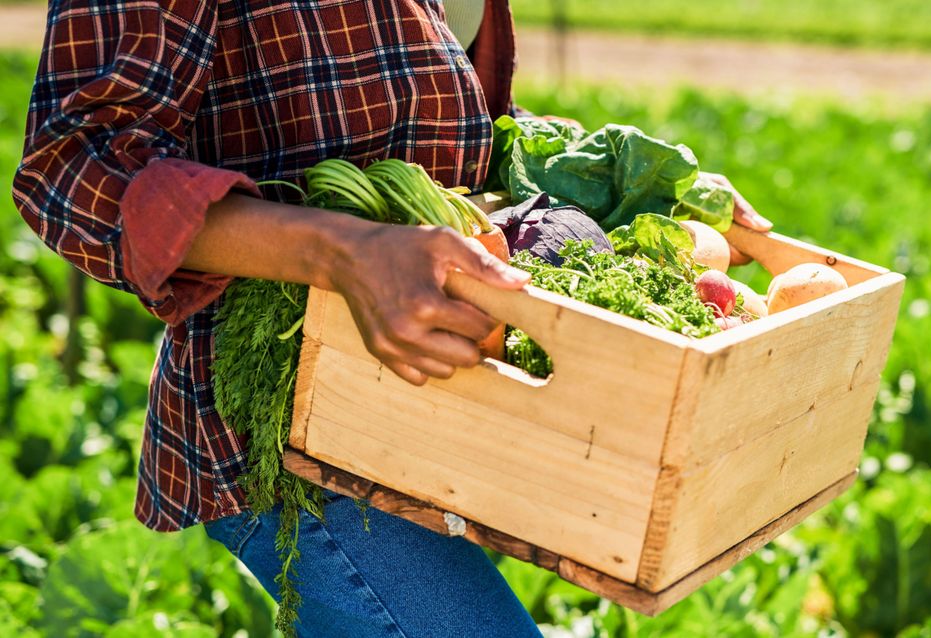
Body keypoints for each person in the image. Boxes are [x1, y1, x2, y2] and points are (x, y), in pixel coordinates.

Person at [11, 1, 770, 635]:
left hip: (447, 411)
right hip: (292, 422)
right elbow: (75, 168)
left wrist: (631, 178)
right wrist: (344, 252)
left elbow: (451, 126)